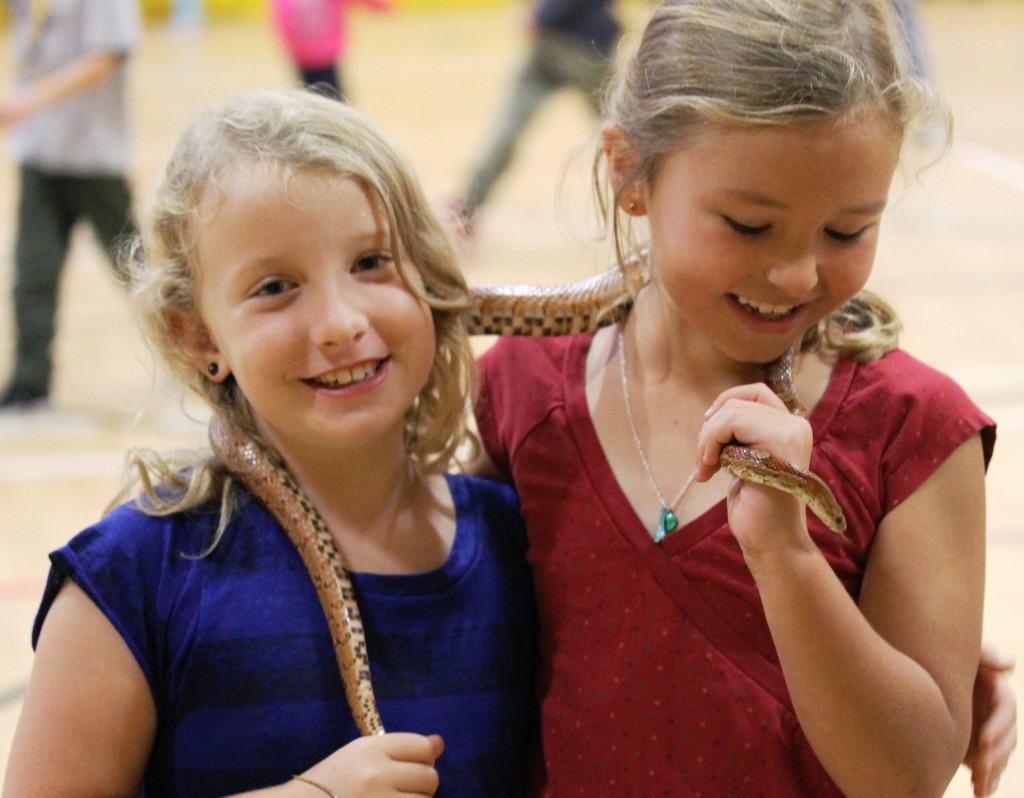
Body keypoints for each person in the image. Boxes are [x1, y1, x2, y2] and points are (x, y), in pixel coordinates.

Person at [472, 1, 1007, 795]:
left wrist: (789, 560)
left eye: (848, 231)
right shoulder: (521, 388)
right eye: (749, 226)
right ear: (629, 173)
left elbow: (910, 776)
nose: (797, 276)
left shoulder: (913, 430)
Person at [2, 89, 536, 797]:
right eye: (276, 286)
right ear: (195, 335)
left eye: (372, 262)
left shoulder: (516, 539)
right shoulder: (135, 577)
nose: (340, 322)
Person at [0, 0, 141, 410]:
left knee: (136, 268)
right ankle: (30, 381)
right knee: (33, 270)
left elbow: (109, 55)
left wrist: (31, 99)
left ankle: (203, 354)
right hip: (40, 150)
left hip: (93, 155)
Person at [448, 0, 621, 236]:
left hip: (568, 45)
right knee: (625, 130)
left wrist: (540, 15)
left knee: (508, 129)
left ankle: (467, 208)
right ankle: (660, 196)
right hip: (577, 46)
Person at [270, 0, 393, 101]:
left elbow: (281, 24)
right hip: (324, 55)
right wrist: (380, 7)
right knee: (333, 99)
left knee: (310, 99)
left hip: (303, 56)